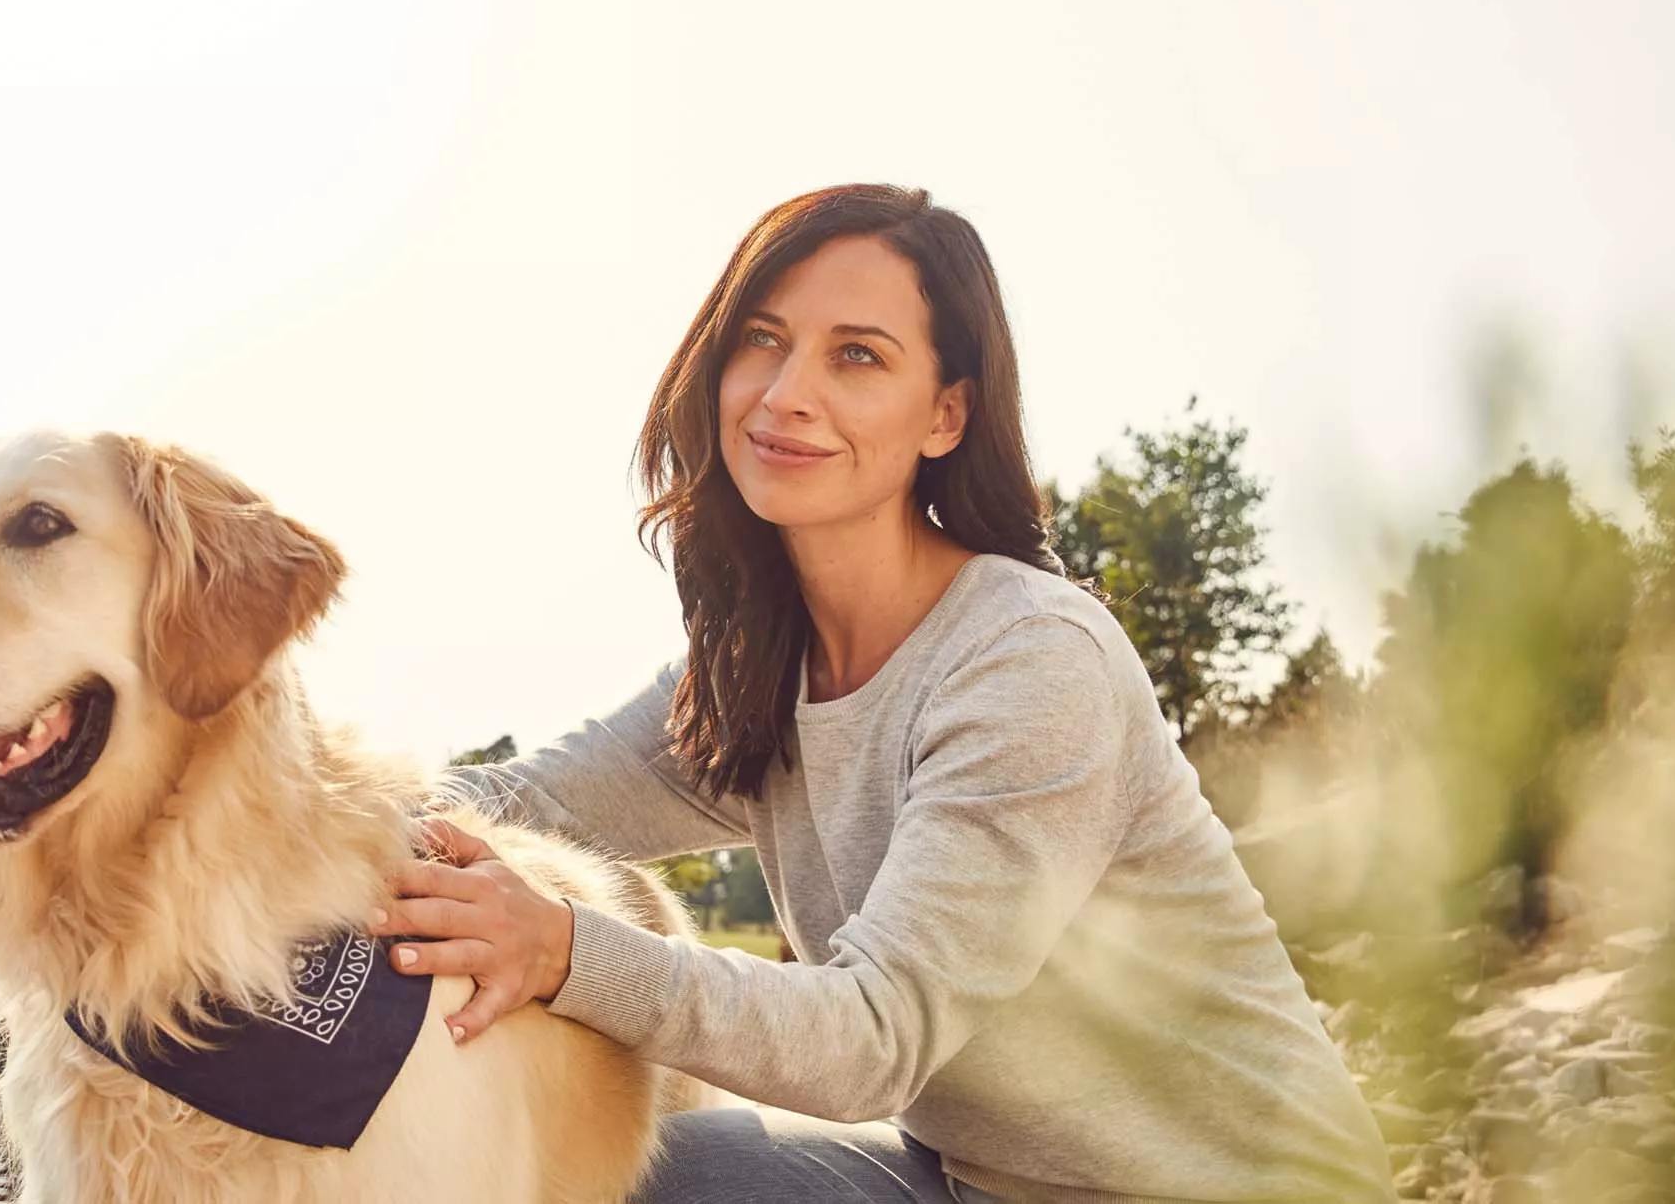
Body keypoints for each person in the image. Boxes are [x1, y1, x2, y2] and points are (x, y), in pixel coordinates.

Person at [373, 185, 1394, 1201]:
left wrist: (559, 948)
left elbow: (871, 1039)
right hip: (977, 1182)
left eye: (856, 354)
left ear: (947, 413)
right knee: (628, 1173)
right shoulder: (753, 674)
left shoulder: (1028, 660)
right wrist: (302, 815)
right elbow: (525, 802)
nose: (784, 395)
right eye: (762, 340)